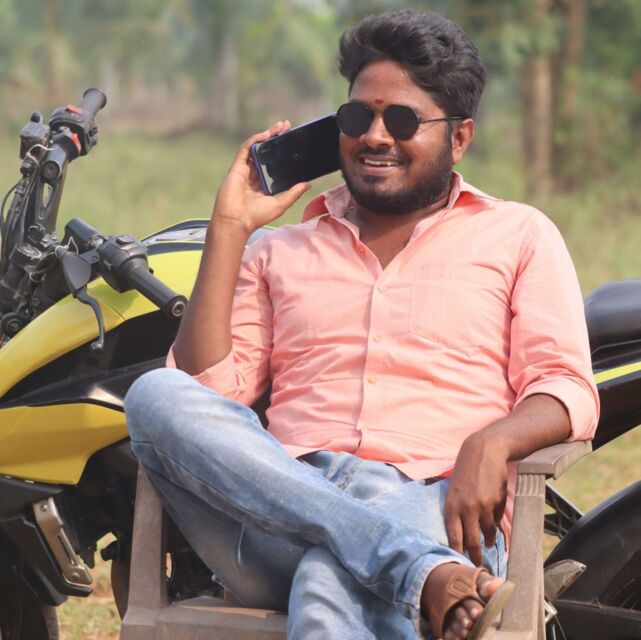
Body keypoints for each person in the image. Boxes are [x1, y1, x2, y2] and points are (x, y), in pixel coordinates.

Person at [124, 9, 599, 640]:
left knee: (330, 575)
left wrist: (491, 443)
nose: (374, 136)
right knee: (156, 393)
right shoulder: (278, 250)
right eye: (356, 117)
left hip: (437, 505)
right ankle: (419, 573)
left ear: (459, 138)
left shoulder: (519, 235)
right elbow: (210, 395)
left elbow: (565, 386)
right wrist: (231, 228)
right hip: (278, 514)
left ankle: (407, 564)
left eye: (401, 120)